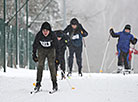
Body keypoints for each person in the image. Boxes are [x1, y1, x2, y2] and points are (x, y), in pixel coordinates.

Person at [32, 22, 59, 91]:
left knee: (51, 65)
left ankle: (54, 83)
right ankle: (38, 83)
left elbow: (57, 47)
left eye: (47, 31)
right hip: (41, 50)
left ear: (49, 31)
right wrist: (34, 54)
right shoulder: (39, 35)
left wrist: (58, 58)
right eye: (44, 31)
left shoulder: (53, 35)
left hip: (51, 50)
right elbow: (35, 45)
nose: (45, 32)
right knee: (40, 65)